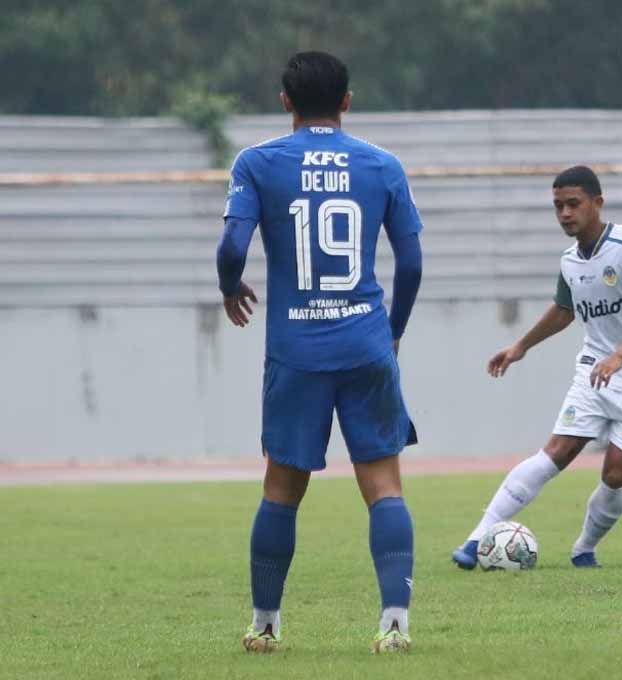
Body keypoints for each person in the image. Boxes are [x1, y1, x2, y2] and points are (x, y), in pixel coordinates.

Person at [216, 51, 422, 654]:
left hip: (295, 349)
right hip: (365, 342)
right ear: (347, 101)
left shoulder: (257, 163)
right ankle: (394, 624)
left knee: (281, 486)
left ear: (286, 102)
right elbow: (410, 263)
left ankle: (266, 624)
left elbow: (233, 244)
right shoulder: (382, 164)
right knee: (384, 485)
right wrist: (394, 331)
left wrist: (230, 286)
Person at [450, 165, 622, 570]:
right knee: (557, 450)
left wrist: (621, 355)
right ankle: (474, 540)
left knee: (616, 474)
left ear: (597, 203)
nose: (565, 214)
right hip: (595, 371)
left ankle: (584, 547)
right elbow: (563, 309)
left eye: (573, 204)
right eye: (558, 206)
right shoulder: (570, 260)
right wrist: (520, 346)